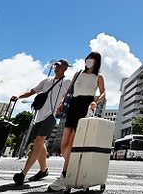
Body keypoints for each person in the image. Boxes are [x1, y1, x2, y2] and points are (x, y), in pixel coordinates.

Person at [48, 52, 106, 192]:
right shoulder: (78, 73)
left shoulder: (99, 77)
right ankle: (73, 169)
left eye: (92, 59)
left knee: (73, 143)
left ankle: (65, 176)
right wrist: (62, 101)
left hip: (86, 106)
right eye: (88, 58)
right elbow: (69, 90)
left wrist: (95, 102)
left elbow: (104, 93)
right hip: (73, 105)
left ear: (97, 62)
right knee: (64, 145)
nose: (89, 60)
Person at [12, 59, 72, 186]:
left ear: (65, 69)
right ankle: (44, 170)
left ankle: (23, 173)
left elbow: (73, 95)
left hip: (52, 115)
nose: (57, 68)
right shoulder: (46, 81)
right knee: (39, 143)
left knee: (38, 142)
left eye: (60, 67)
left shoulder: (67, 82)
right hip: (39, 116)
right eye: (56, 66)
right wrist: (18, 96)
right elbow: (31, 92)